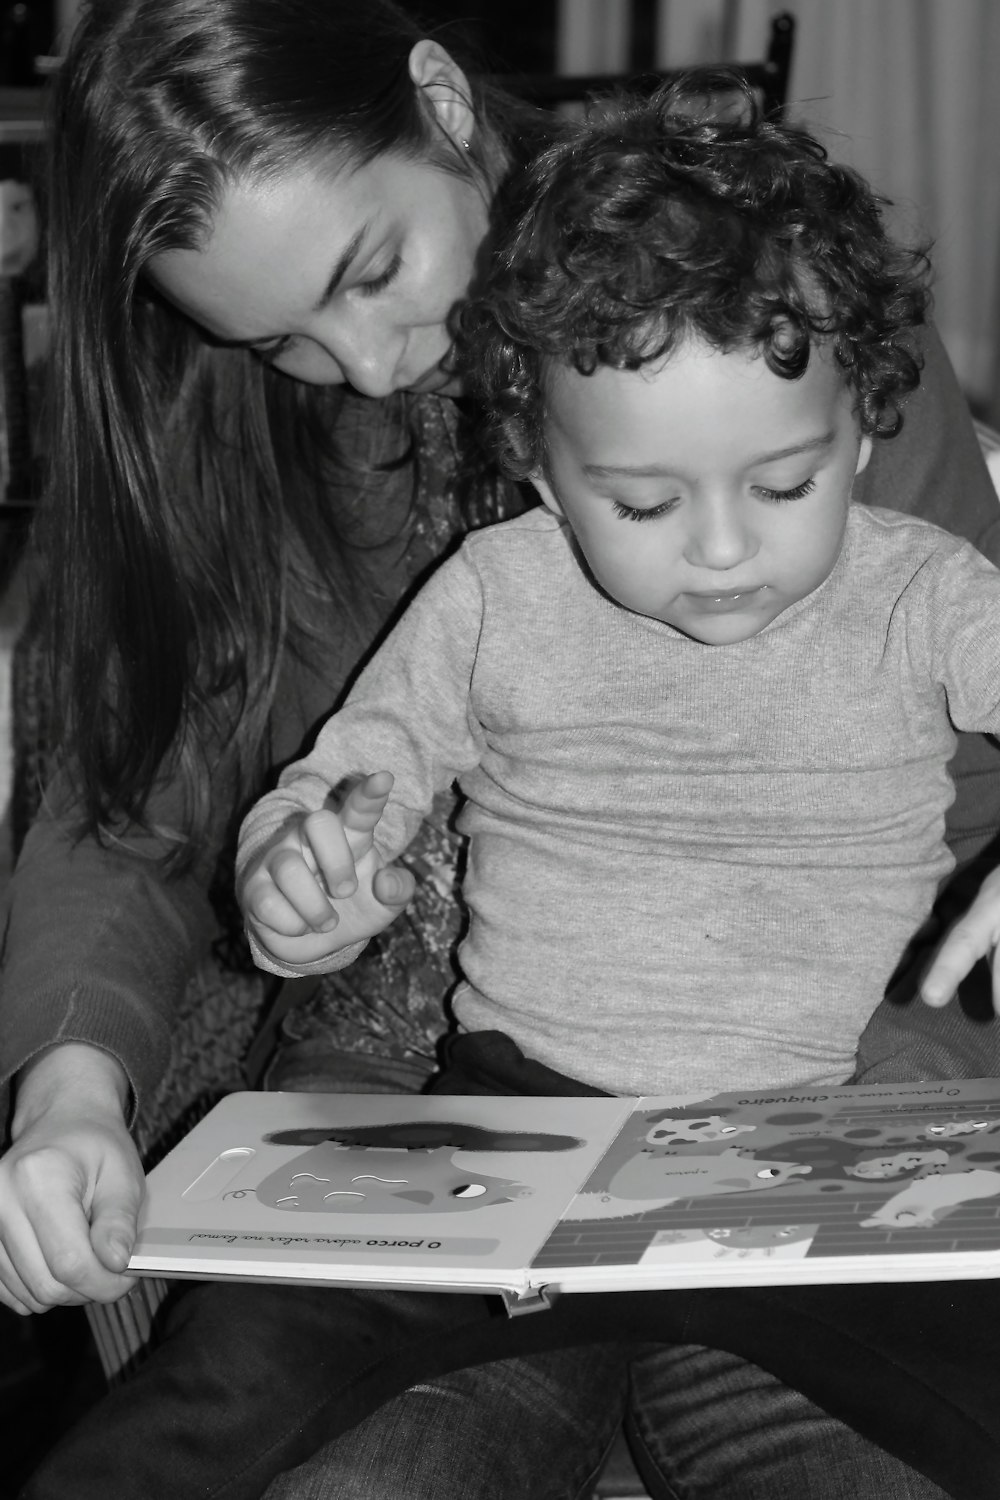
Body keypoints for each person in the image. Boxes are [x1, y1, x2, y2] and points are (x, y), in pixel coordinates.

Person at [0, 0, 986, 1491]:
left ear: (445, 105)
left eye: (376, 272)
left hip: (835, 1076)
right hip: (449, 1102)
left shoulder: (780, 305)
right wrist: (72, 1089)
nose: (369, 362)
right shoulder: (258, 464)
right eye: (283, 341)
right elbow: (127, 806)